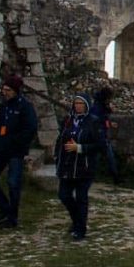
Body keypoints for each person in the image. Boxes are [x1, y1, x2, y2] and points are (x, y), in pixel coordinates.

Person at [0, 75, 38, 228]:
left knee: (13, 183)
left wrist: (16, 143)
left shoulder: (25, 107)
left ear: (15, 91)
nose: (4, 92)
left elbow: (30, 128)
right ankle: (4, 209)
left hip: (15, 152)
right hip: (0, 151)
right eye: (4, 89)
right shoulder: (3, 107)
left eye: (8, 90)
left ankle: (12, 217)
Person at [54, 93, 103, 241]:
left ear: (86, 105)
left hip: (84, 166)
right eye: (76, 103)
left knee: (81, 198)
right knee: (64, 195)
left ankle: (80, 229)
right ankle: (77, 220)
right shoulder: (68, 120)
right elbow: (61, 139)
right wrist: (57, 155)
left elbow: (99, 144)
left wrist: (80, 148)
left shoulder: (93, 122)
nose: (78, 106)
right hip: (68, 165)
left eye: (81, 103)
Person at [90, 86, 121, 183]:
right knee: (107, 156)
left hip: (100, 134)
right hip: (99, 135)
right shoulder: (98, 106)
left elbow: (103, 117)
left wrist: (110, 123)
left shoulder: (101, 104)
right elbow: (97, 119)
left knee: (97, 157)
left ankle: (91, 177)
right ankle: (115, 177)